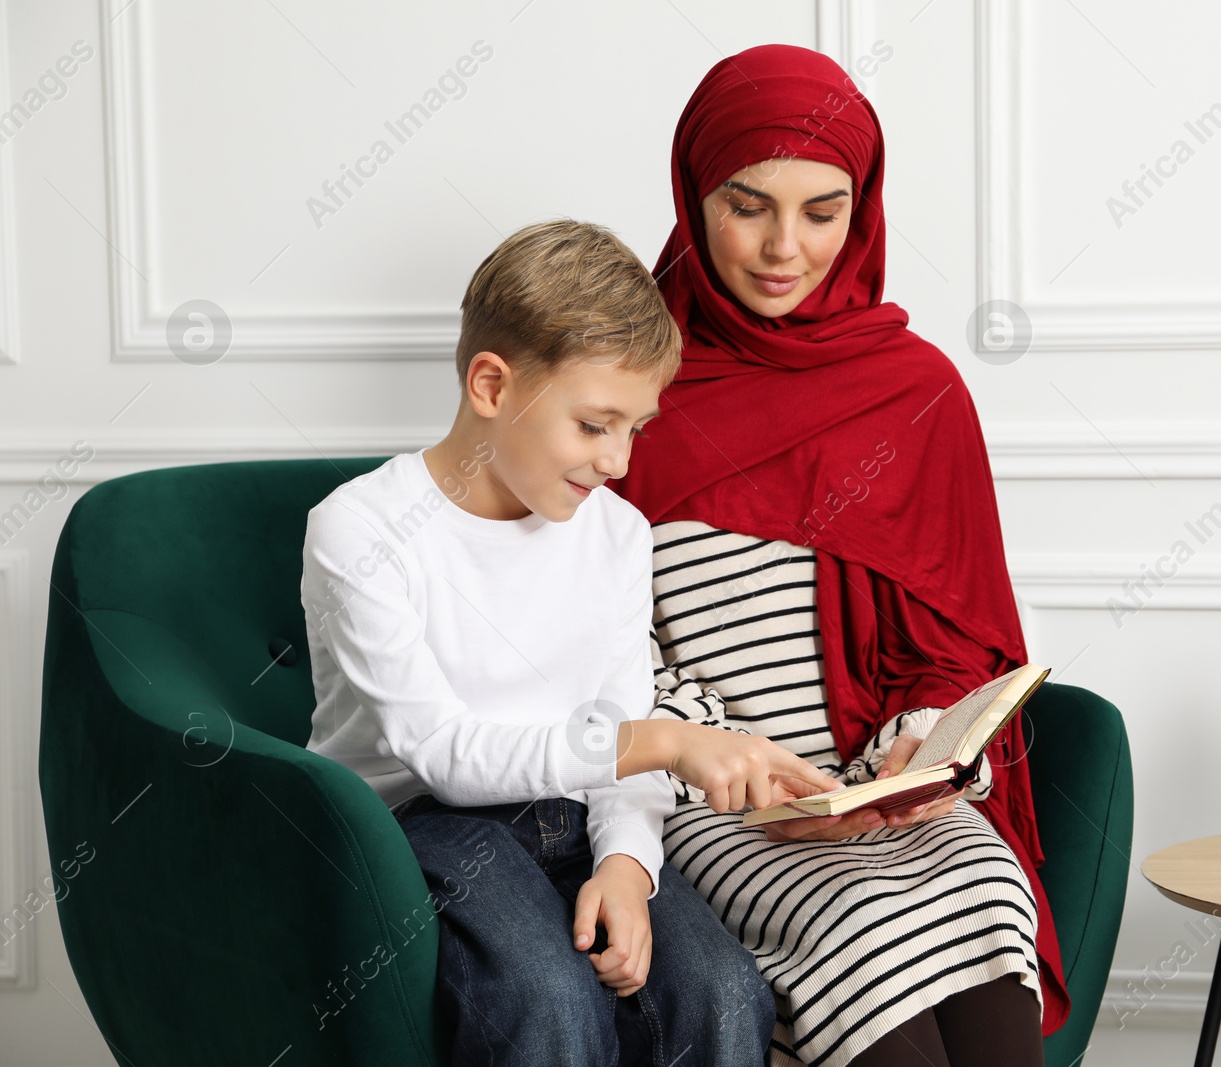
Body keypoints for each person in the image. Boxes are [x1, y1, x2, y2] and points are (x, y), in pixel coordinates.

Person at [613, 45, 1070, 1067]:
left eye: (823, 212)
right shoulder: (623, 390)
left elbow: (958, 643)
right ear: (693, 195)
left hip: (873, 781)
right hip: (707, 796)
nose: (785, 247)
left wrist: (914, 749)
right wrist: (721, 759)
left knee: (989, 889)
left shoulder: (914, 391)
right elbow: (589, 642)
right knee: (860, 925)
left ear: (861, 210)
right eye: (748, 206)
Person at [300, 219, 839, 1066]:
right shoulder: (360, 530)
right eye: (594, 425)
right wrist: (661, 739)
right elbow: (443, 754)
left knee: (725, 988)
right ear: (490, 385)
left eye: (636, 427)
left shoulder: (617, 535)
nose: (619, 461)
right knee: (548, 997)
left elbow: (615, 731)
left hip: (575, 812)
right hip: (415, 826)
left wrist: (627, 862)